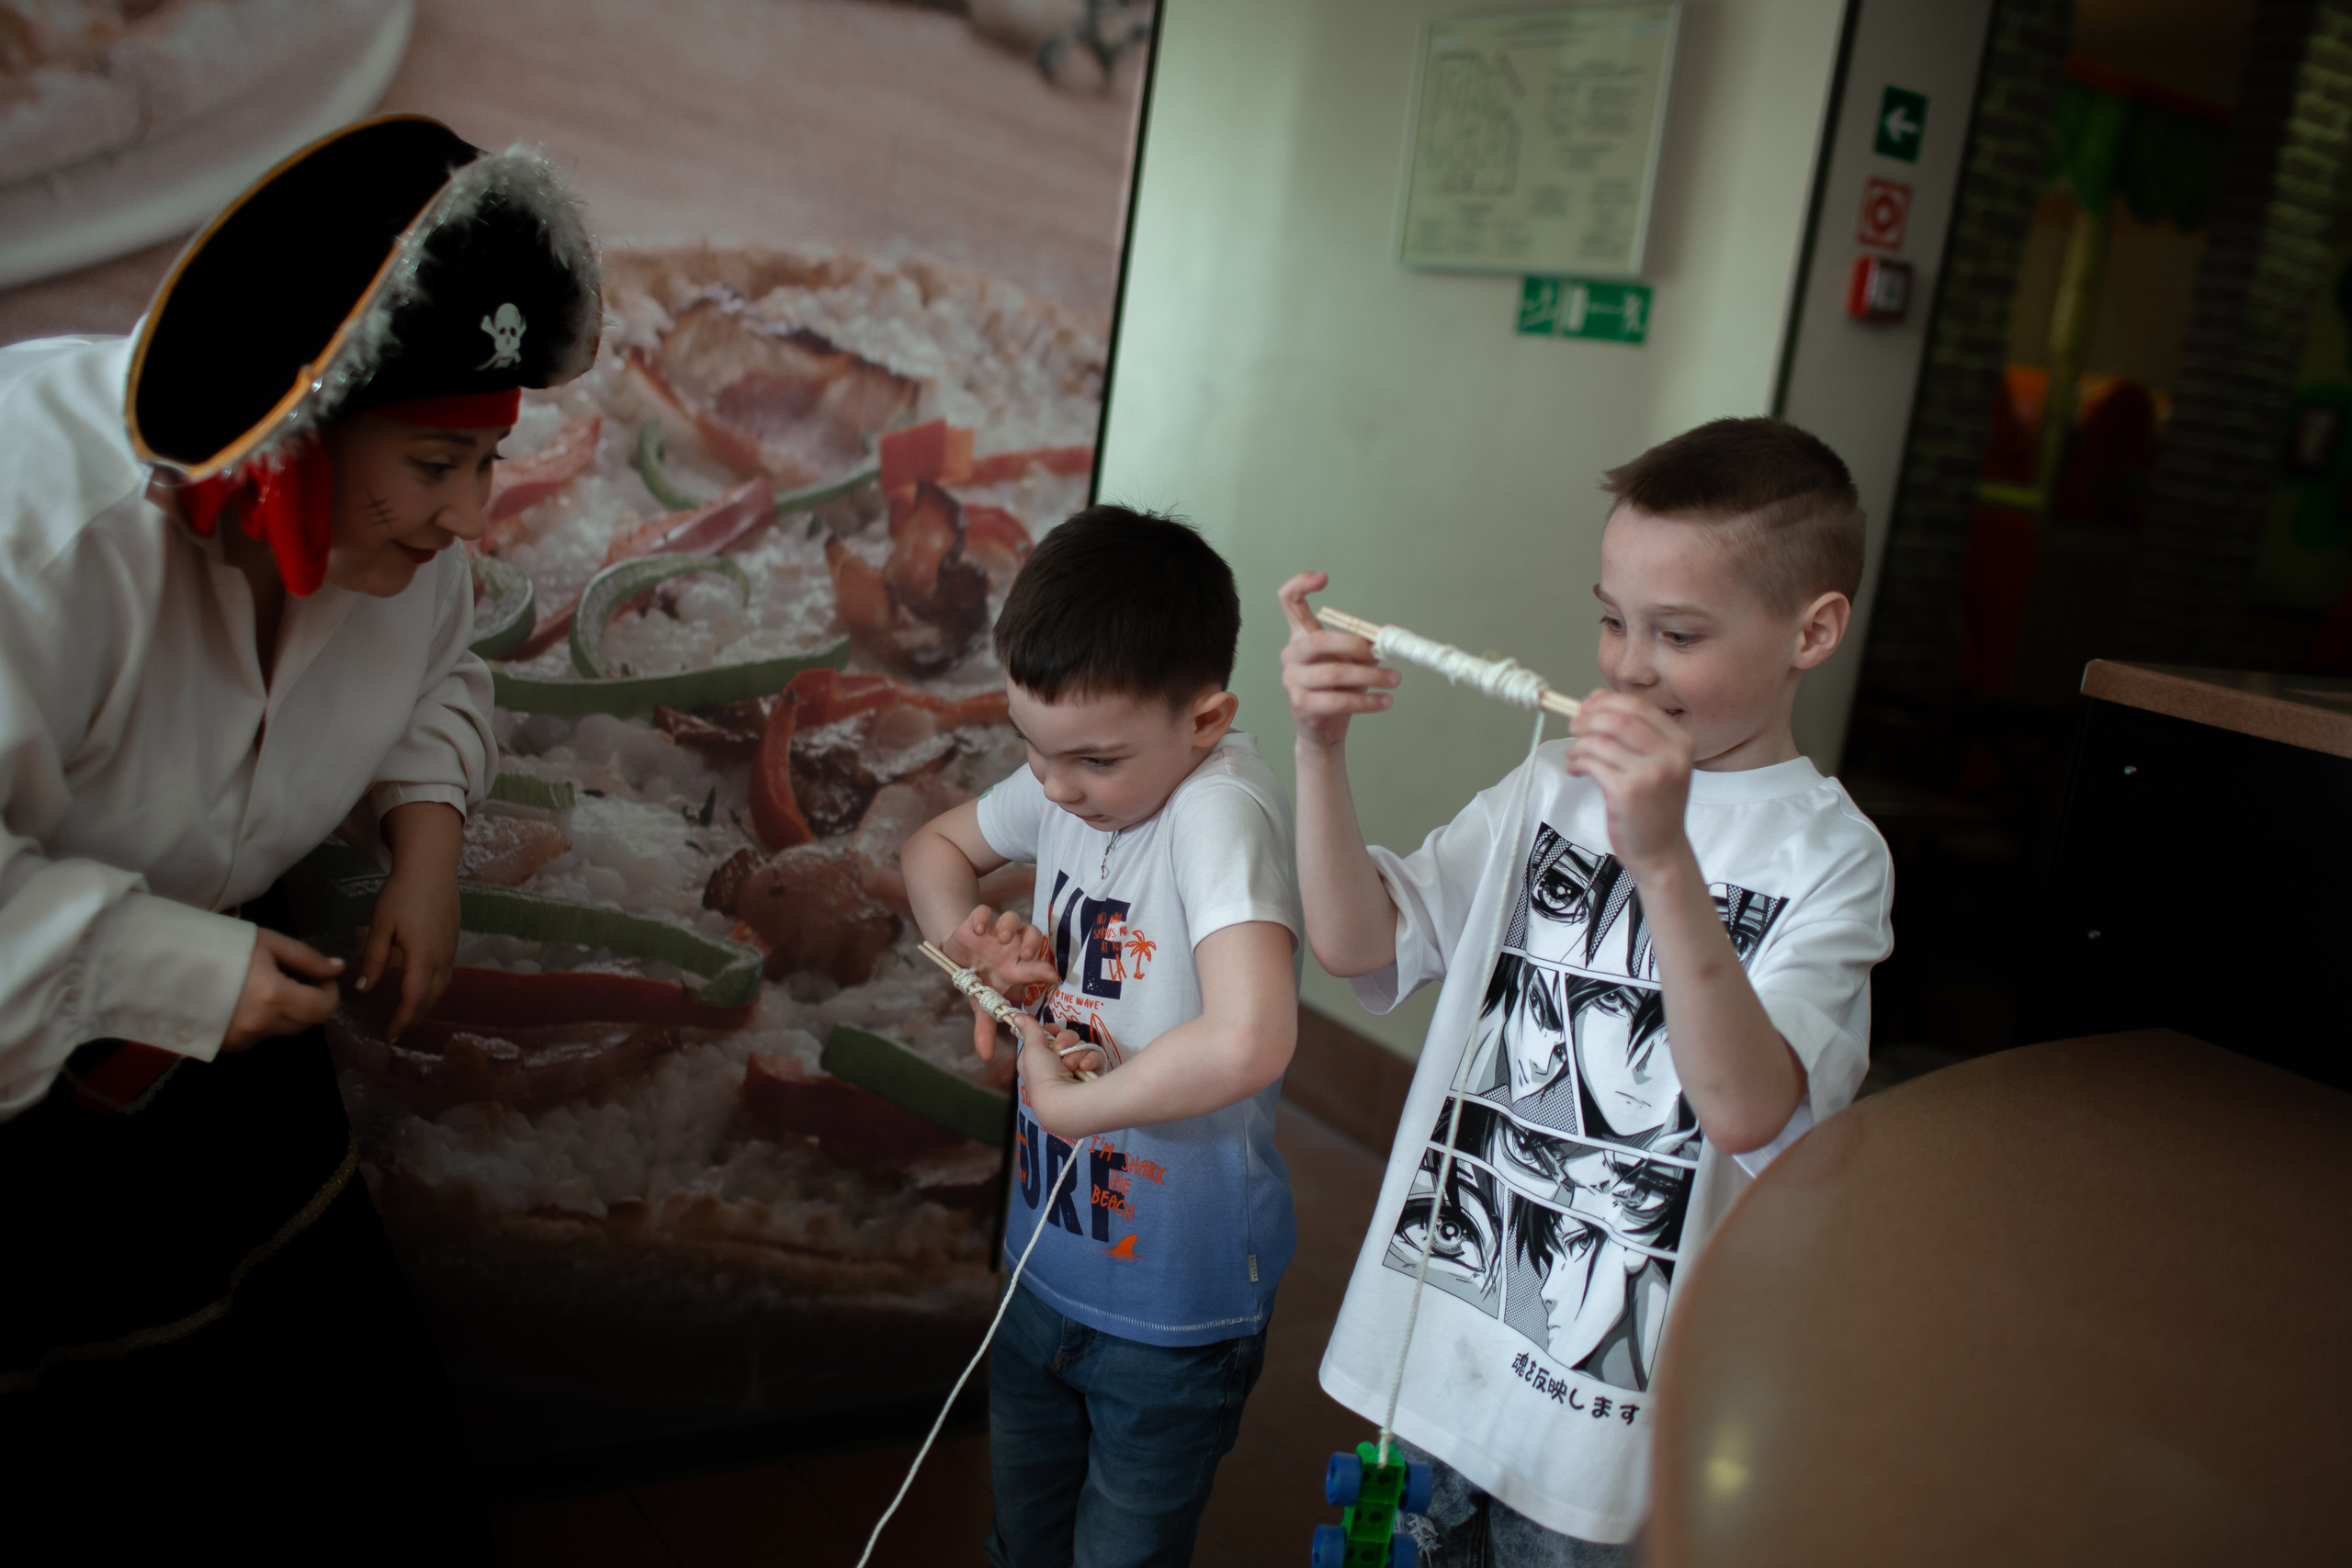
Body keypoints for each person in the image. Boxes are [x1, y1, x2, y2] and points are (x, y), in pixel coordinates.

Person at [0, 115, 600, 1559]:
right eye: (437, 463)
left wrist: (428, 844)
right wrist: (173, 968)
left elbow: (438, 666)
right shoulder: (44, 543)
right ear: (298, 429)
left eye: (488, 462)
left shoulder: (386, 539)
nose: (471, 517)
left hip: (201, 1043)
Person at [1280, 418, 1894, 1562]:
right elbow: (1360, 949)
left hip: (1611, 1432)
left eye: (1680, 634)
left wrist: (1662, 859)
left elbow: (1753, 1111)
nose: (1626, 665)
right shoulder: (1550, 784)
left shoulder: (1831, 857)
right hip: (1430, 1361)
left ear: (1812, 630)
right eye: (1612, 619)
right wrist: (1319, 751)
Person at [900, 505, 1305, 1567]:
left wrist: (1073, 1105)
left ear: (1207, 721)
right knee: (1019, 1539)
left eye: (1089, 760)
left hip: (1169, 1314)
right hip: (1046, 1263)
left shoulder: (1215, 811)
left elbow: (1251, 1039)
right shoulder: (1078, 781)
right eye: (1031, 748)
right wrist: (978, 965)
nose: (1053, 787)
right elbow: (933, 850)